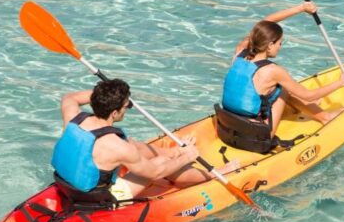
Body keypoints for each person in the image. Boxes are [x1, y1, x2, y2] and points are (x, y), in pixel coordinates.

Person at [52, 78, 237, 203]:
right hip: (96, 198)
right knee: (163, 162)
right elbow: (155, 173)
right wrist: (186, 157)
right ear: (115, 113)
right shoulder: (116, 146)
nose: (127, 109)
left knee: (134, 145)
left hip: (65, 185)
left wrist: (106, 94)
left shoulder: (73, 116)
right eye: (126, 106)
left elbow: (70, 97)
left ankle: (175, 151)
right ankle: (214, 174)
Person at [216, 2, 344, 153]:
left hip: (226, 127)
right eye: (280, 43)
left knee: (274, 88)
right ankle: (325, 117)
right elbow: (308, 95)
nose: (280, 47)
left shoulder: (240, 50)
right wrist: (341, 82)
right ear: (270, 45)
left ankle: (298, 107)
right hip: (255, 139)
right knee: (283, 89)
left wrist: (301, 8)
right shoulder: (272, 71)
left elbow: (265, 23)